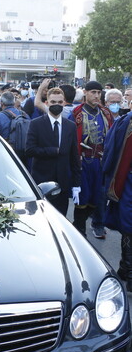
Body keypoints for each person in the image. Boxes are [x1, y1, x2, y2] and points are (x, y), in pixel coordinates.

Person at [26, 88, 81, 216]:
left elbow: (74, 156)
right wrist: (53, 151)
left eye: (60, 102)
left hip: (63, 181)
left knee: (61, 217)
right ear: (47, 103)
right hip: (41, 179)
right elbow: (29, 150)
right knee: (42, 217)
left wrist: (76, 184)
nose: (56, 105)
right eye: (53, 102)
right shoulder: (36, 124)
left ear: (64, 103)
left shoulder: (70, 126)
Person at [69, 81, 114, 237]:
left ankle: (89, 224)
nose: (96, 95)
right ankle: (79, 227)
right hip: (83, 161)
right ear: (86, 93)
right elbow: (70, 138)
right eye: (93, 92)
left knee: (98, 196)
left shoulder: (106, 113)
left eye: (98, 92)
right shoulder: (76, 113)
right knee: (82, 197)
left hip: (101, 161)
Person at [103, 111, 132, 290]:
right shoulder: (126, 122)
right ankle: (128, 269)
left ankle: (126, 268)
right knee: (128, 224)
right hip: (128, 180)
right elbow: (112, 150)